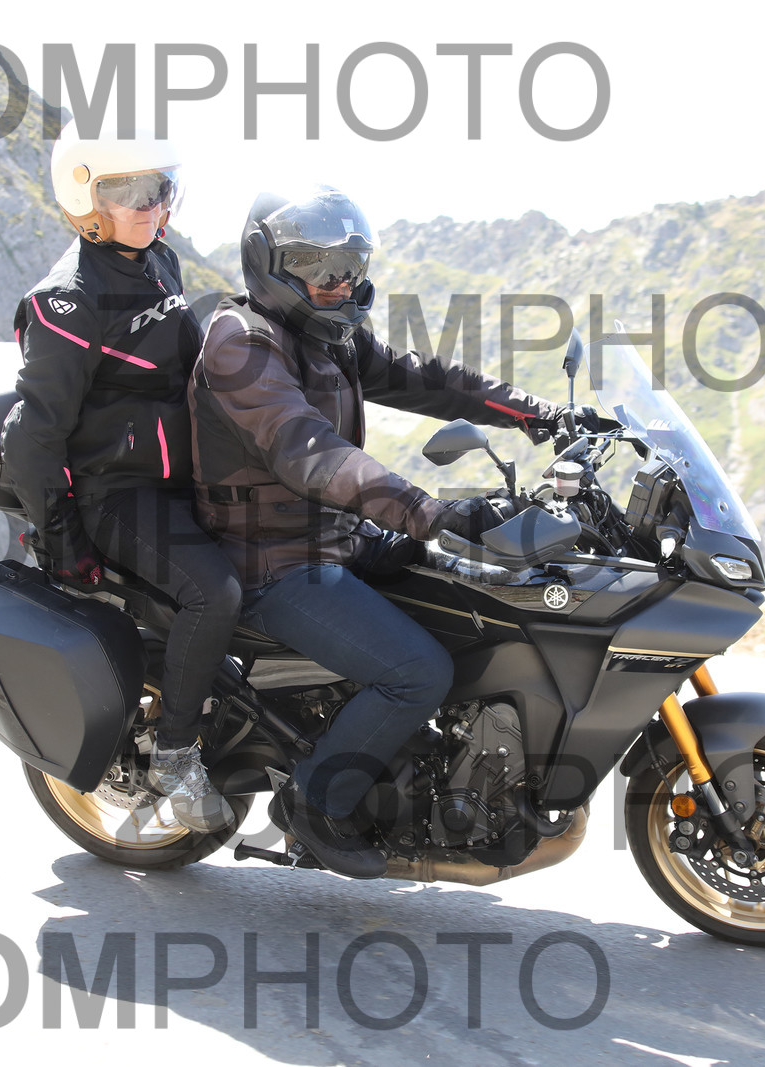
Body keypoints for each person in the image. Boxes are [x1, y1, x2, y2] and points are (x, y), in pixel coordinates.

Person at [190, 187, 611, 878]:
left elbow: (427, 380)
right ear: (269, 264)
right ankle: (316, 805)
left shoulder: (330, 333)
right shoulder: (243, 343)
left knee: (481, 589)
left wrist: (537, 414)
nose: (339, 283)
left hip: (338, 538)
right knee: (417, 672)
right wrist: (429, 511)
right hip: (273, 560)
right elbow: (310, 452)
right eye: (319, 269)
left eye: (349, 266)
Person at [0, 129, 242, 833]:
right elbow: (32, 437)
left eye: (160, 188)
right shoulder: (66, 302)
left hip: (180, 481)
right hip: (119, 496)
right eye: (129, 191)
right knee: (215, 592)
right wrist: (63, 540)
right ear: (85, 198)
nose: (150, 205)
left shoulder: (158, 261)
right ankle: (174, 758)